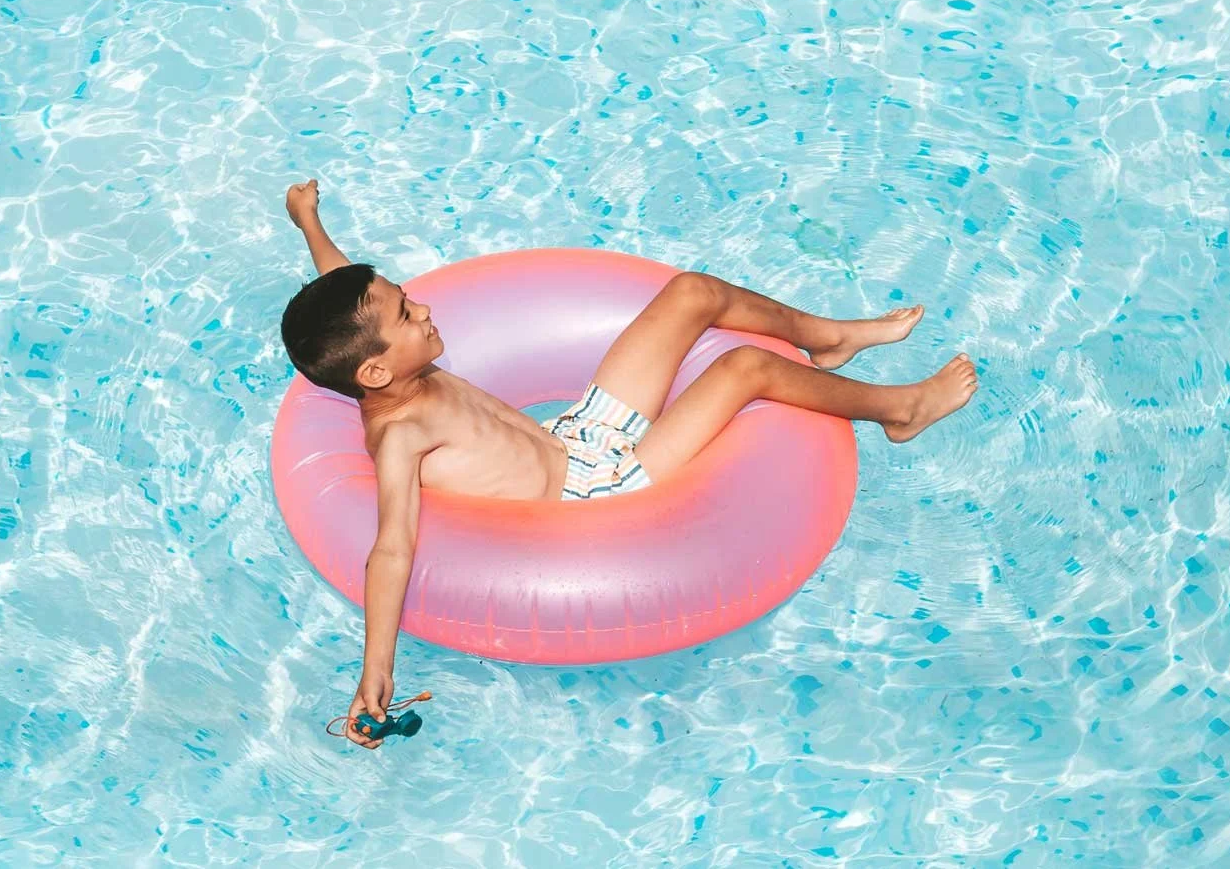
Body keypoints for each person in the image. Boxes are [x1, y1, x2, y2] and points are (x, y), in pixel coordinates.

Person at [279, 178, 978, 750]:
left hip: (581, 432)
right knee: (743, 369)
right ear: (374, 372)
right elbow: (392, 548)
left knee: (692, 293)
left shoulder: (383, 361)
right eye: (407, 314)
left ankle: (828, 338)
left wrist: (309, 222)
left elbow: (345, 289)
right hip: (598, 489)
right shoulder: (399, 436)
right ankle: (899, 411)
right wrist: (376, 670)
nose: (424, 307)